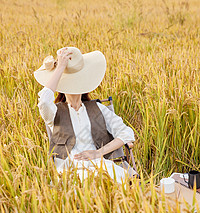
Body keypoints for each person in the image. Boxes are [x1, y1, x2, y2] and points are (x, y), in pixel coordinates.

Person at [34, 46, 136, 184]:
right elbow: (45, 101)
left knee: (115, 181)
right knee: (87, 181)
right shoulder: (55, 112)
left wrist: (98, 153)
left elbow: (126, 133)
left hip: (99, 165)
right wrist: (60, 68)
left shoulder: (97, 108)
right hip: (70, 170)